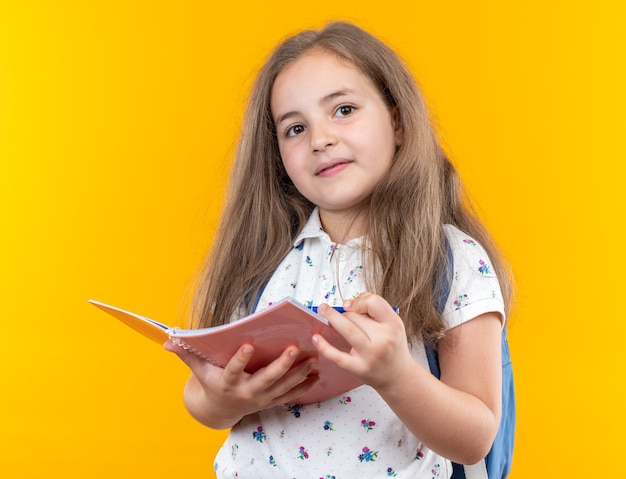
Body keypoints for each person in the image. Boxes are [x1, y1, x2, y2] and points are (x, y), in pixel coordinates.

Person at [165, 20, 513, 479]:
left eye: (344, 109)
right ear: (277, 156)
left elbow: (474, 439)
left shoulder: (450, 258)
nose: (320, 139)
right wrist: (222, 399)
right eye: (294, 129)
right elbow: (202, 396)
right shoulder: (266, 264)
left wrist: (396, 376)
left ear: (398, 122)